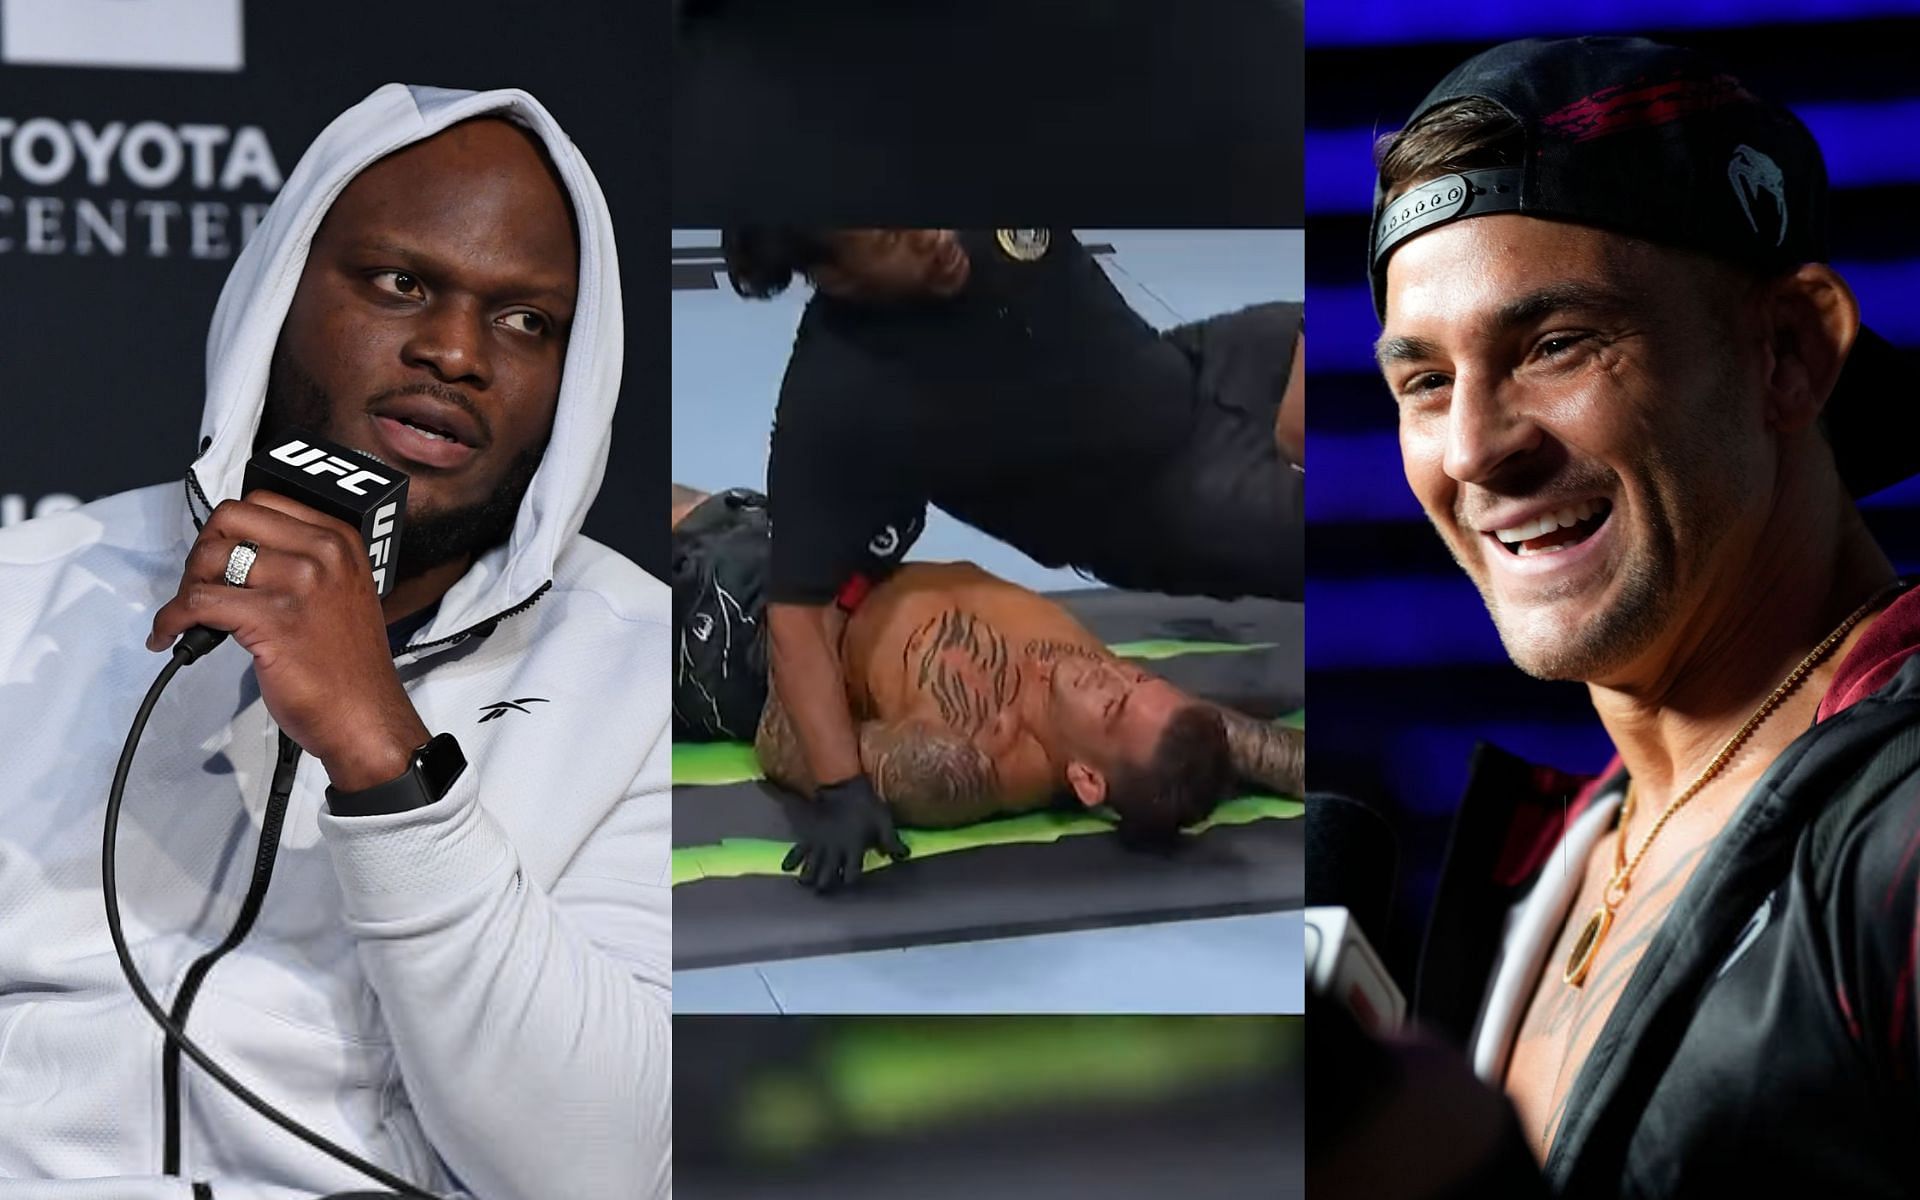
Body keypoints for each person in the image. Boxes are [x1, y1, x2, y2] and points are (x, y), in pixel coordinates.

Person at [0, 86, 668, 1198]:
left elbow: (605, 1170)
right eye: (403, 283)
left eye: (526, 322)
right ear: (279, 296)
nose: (456, 352)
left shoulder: (639, 673)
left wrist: (382, 757)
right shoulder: (28, 592)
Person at [1369, 36, 1920, 1197]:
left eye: (1556, 345)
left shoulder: (1904, 836)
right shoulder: (1561, 859)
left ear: (1789, 353)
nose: (1474, 448)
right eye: (1424, 382)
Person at [719, 227, 1304, 891]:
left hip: (1198, 363)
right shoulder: (842, 399)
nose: (929, 231)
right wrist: (841, 786)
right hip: (1168, 504)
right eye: (889, 238)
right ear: (838, 278)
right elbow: (794, 633)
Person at [671, 485, 1301, 891]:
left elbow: (785, 740)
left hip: (726, 637)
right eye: (1138, 676)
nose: (1107, 670)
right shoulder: (1123, 705)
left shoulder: (957, 765)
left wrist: (838, 592)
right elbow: (1238, 741)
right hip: (785, 544)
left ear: (1085, 779)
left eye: (1112, 702)